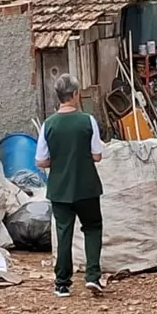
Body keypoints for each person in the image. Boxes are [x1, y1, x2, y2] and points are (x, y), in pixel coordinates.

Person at [35, 74, 106, 297]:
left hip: (60, 188)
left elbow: (41, 161)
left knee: (64, 232)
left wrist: (57, 158)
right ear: (75, 95)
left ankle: (62, 283)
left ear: (58, 96)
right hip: (86, 186)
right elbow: (97, 156)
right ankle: (93, 276)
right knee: (92, 228)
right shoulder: (88, 121)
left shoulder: (48, 124)